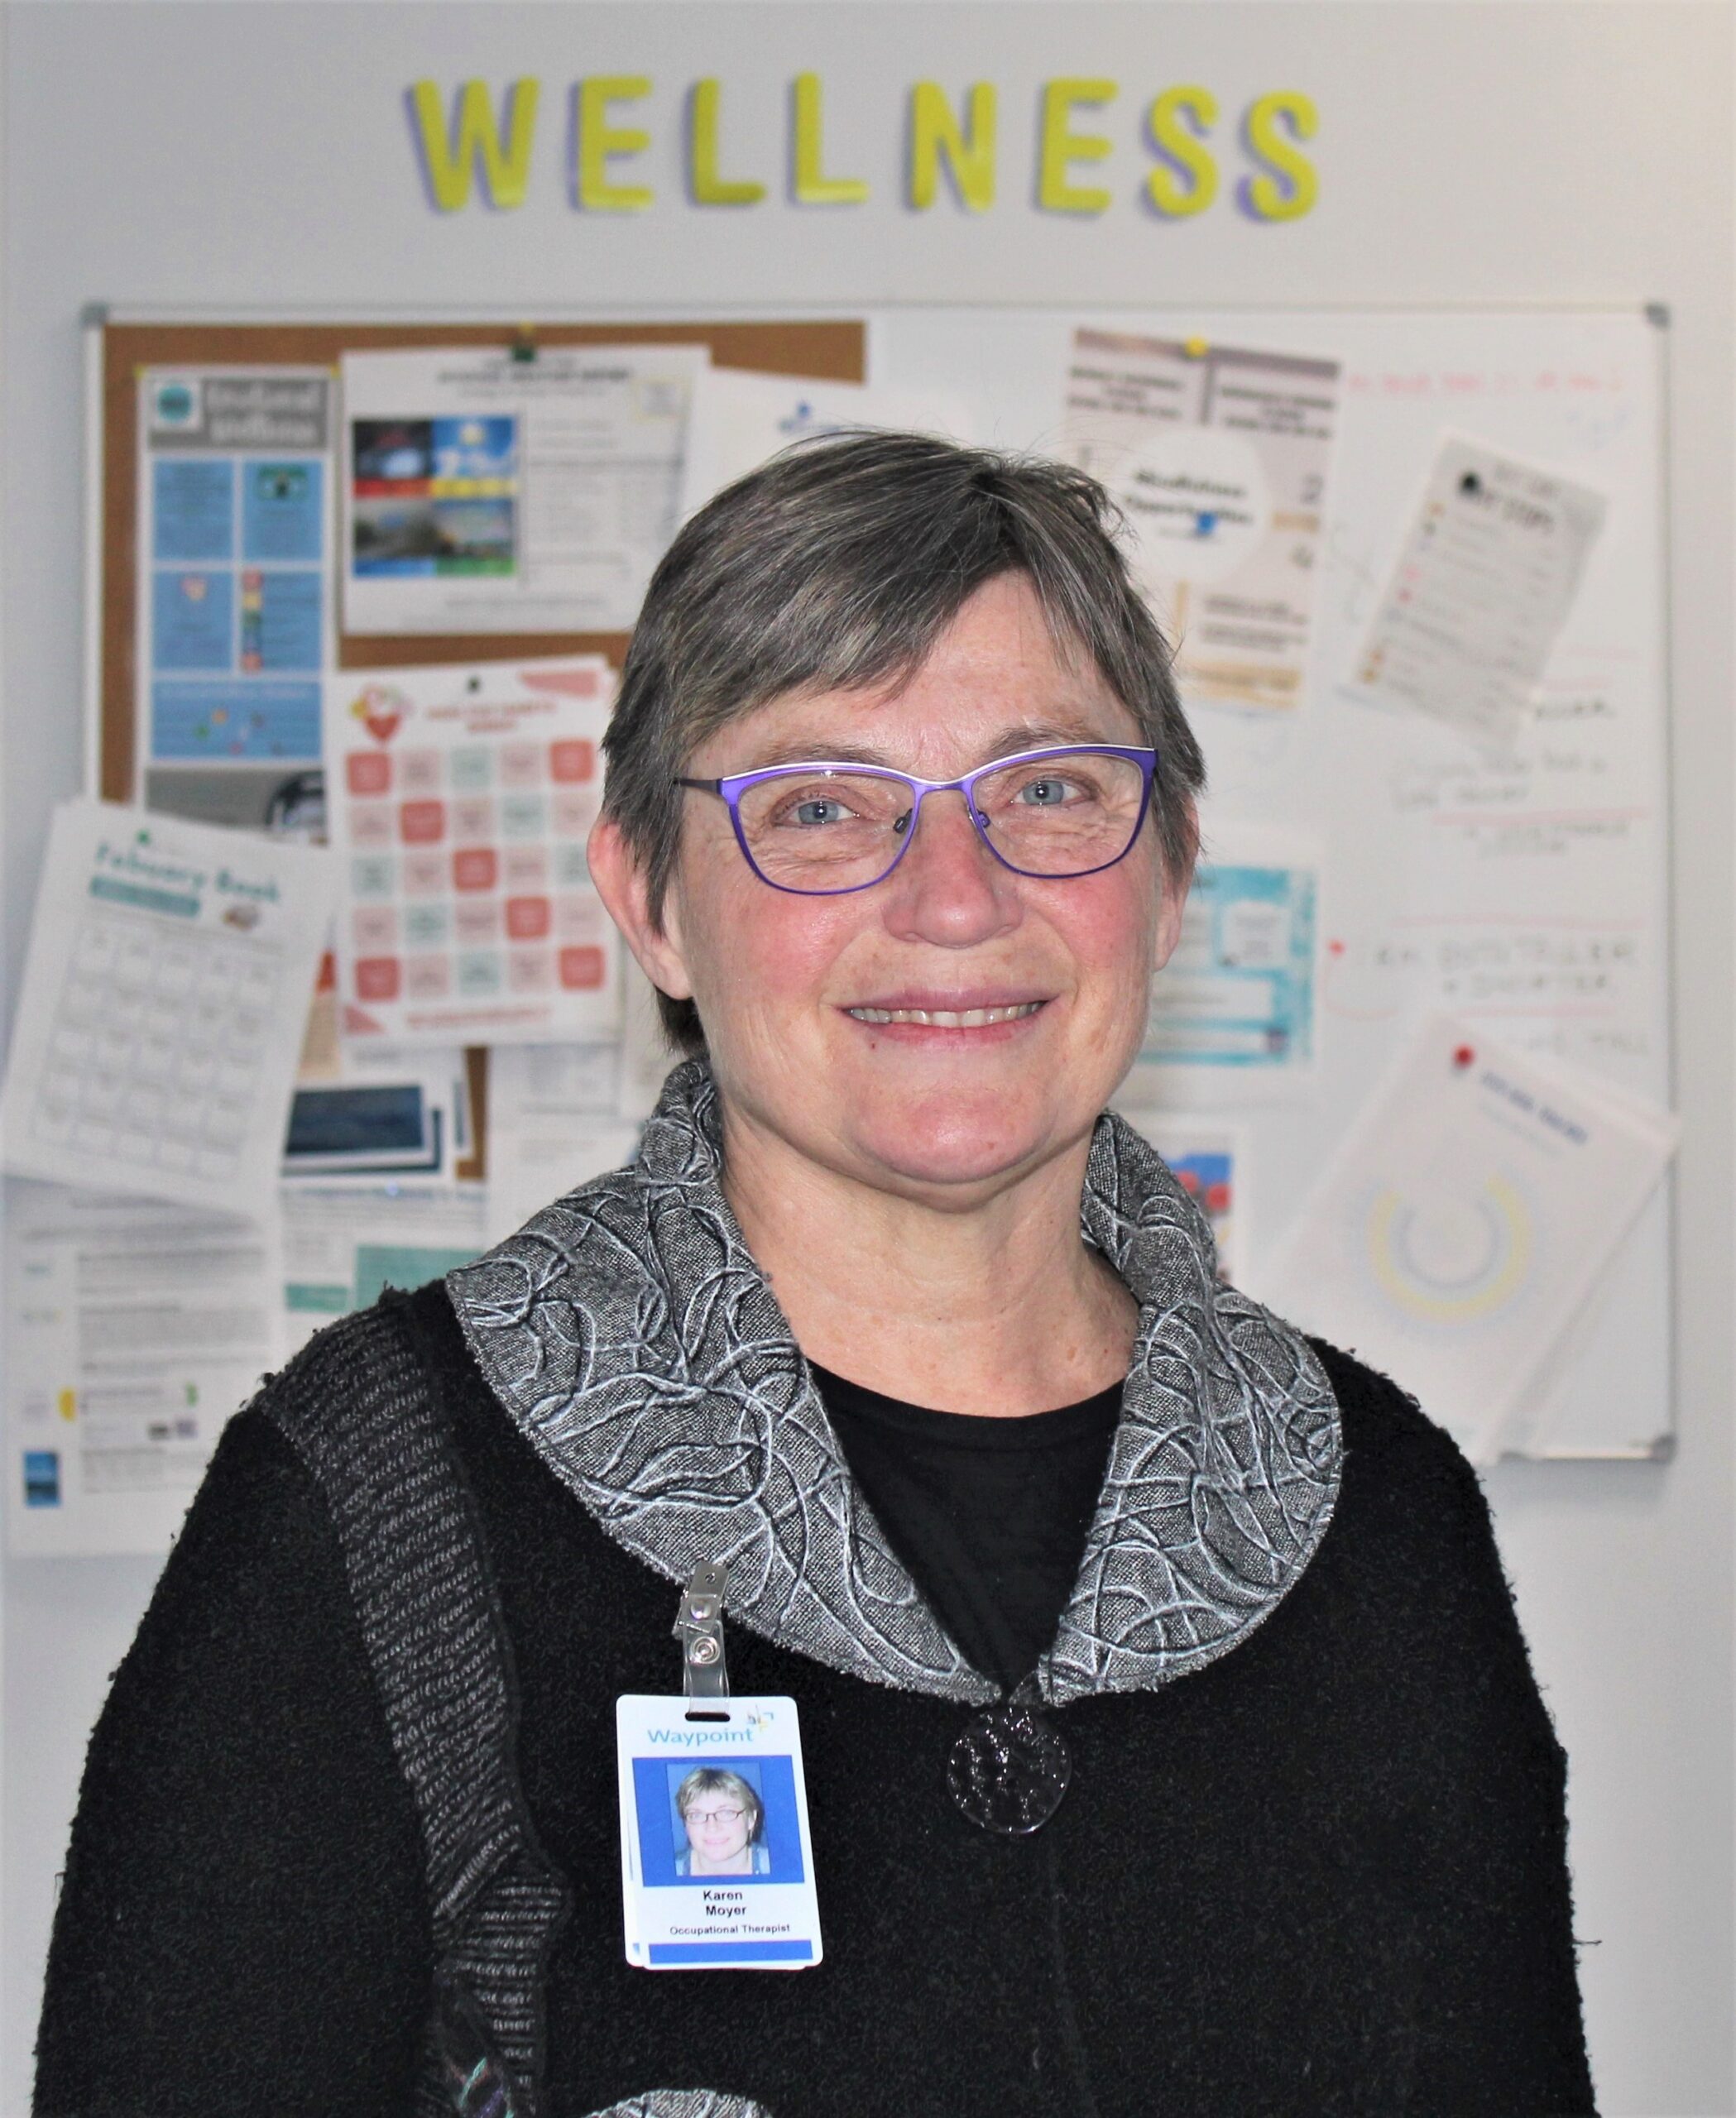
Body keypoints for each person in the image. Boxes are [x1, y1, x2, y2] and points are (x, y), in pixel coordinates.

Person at [35, 434, 1596, 2118]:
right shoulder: (378, 1491)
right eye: (820, 805)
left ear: (1168, 871)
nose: (951, 898)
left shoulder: (1372, 1511)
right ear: (646, 899)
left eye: (1049, 790)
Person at [672, 1768, 771, 1878]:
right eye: (696, 1815)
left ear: (751, 1819)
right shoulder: (665, 1873)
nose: (712, 1827)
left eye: (726, 1813)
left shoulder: (783, 1867)